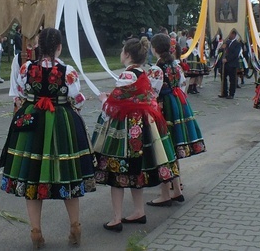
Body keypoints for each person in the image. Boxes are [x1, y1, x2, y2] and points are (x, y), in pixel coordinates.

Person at [0, 28, 95, 248]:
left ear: (39, 47)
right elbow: (76, 97)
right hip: (62, 121)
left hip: (32, 119)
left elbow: (21, 92)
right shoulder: (67, 70)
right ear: (59, 47)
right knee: (67, 173)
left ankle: (36, 231)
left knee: (32, 172)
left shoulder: (26, 67)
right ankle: (75, 226)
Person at [91, 37, 180, 233]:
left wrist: (103, 98)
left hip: (126, 127)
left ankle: (116, 218)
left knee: (118, 170)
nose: (121, 53)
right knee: (136, 169)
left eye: (123, 50)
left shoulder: (127, 75)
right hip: (143, 125)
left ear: (128, 55)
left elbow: (113, 104)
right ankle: (139, 211)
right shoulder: (144, 73)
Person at [147, 33, 205, 207]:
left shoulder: (157, 69)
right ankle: (177, 189)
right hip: (177, 104)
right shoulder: (175, 64)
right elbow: (181, 84)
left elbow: (151, 93)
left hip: (163, 107)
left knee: (163, 148)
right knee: (172, 147)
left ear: (154, 48)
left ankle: (165, 194)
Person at [218, 29, 241, 99]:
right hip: (224, 64)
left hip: (232, 64)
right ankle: (224, 92)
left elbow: (235, 54)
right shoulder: (226, 42)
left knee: (232, 79)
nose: (229, 35)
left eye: (230, 34)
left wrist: (227, 59)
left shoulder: (237, 43)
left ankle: (231, 93)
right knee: (223, 78)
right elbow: (220, 51)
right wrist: (222, 48)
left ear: (234, 35)